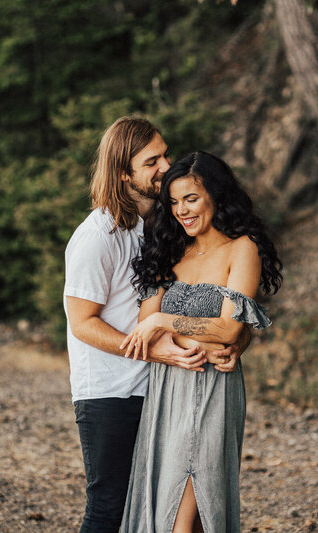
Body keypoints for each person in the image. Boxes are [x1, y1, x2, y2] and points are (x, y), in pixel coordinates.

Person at [63, 118, 250, 533]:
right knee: (109, 508)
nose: (166, 166)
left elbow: (218, 302)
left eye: (165, 154)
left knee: (151, 509)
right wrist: (154, 347)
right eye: (152, 161)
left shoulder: (161, 229)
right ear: (123, 173)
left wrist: (238, 339)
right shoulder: (97, 236)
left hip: (160, 387)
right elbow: (82, 323)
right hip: (110, 392)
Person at [120, 151, 283, 533]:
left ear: (216, 195)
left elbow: (228, 330)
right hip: (167, 389)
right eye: (174, 202)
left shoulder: (242, 249)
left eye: (191, 199)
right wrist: (197, 329)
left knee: (193, 503)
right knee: (176, 513)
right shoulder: (167, 250)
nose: (181, 211)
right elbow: (145, 329)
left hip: (213, 390)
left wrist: (166, 321)